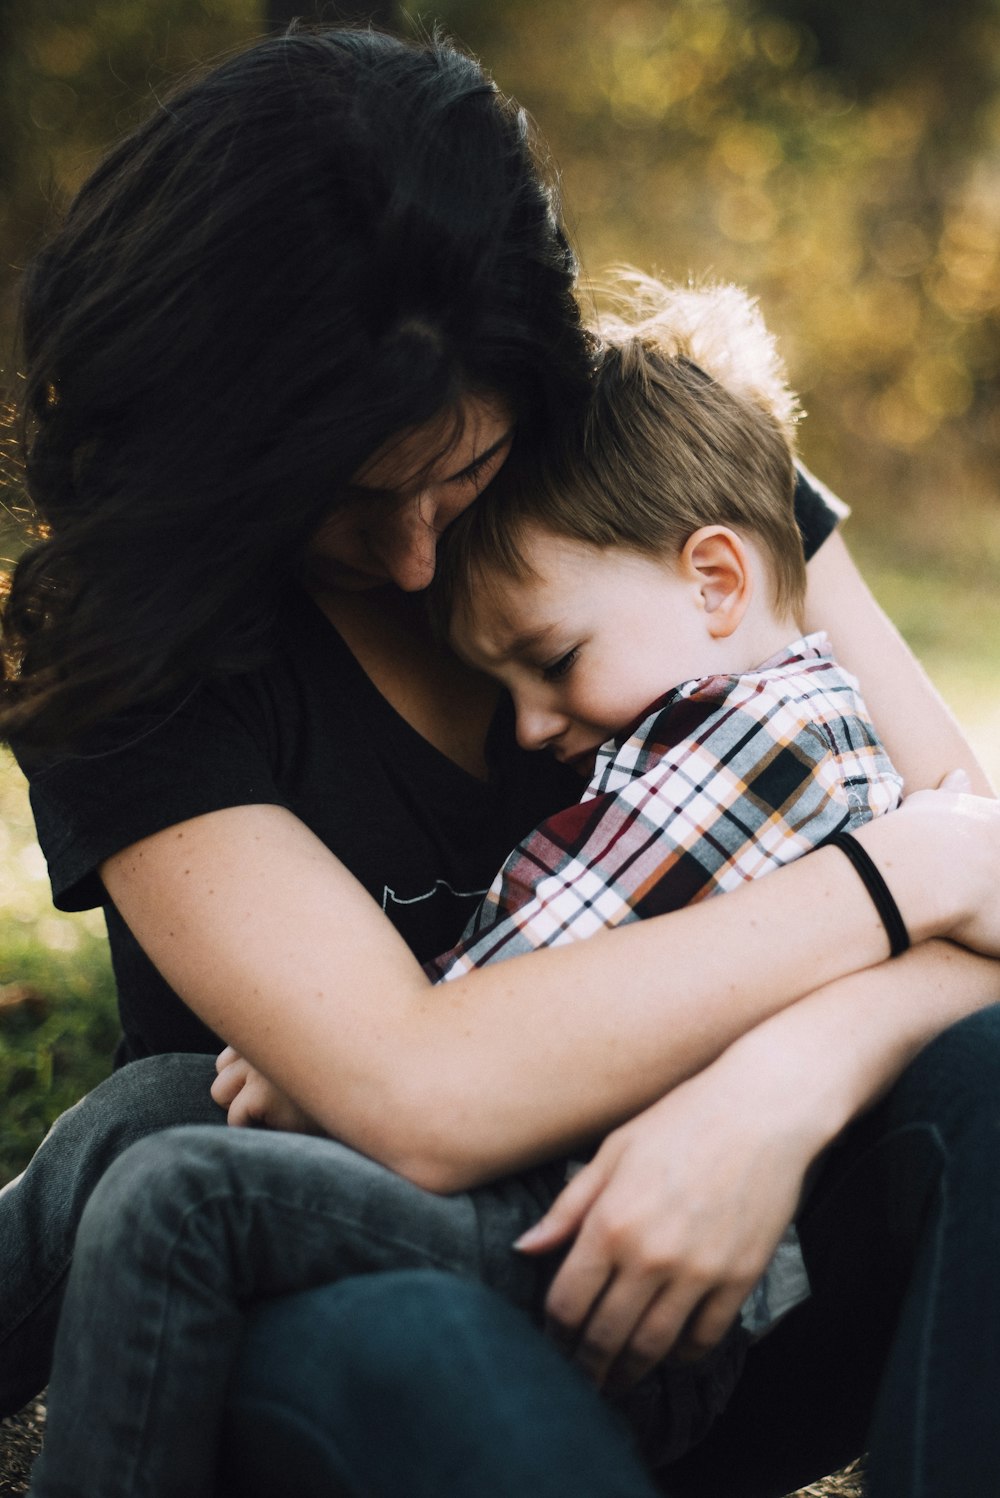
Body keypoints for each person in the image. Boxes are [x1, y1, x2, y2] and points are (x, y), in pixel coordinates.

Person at [2, 23, 1000, 1498]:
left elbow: (985, 875)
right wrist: (893, 875)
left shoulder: (644, 466)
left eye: (460, 475)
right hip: (358, 1306)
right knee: (411, 1353)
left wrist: (780, 1085)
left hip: (713, 1266)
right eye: (345, 499)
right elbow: (417, 1091)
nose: (416, 556)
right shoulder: (135, 641)